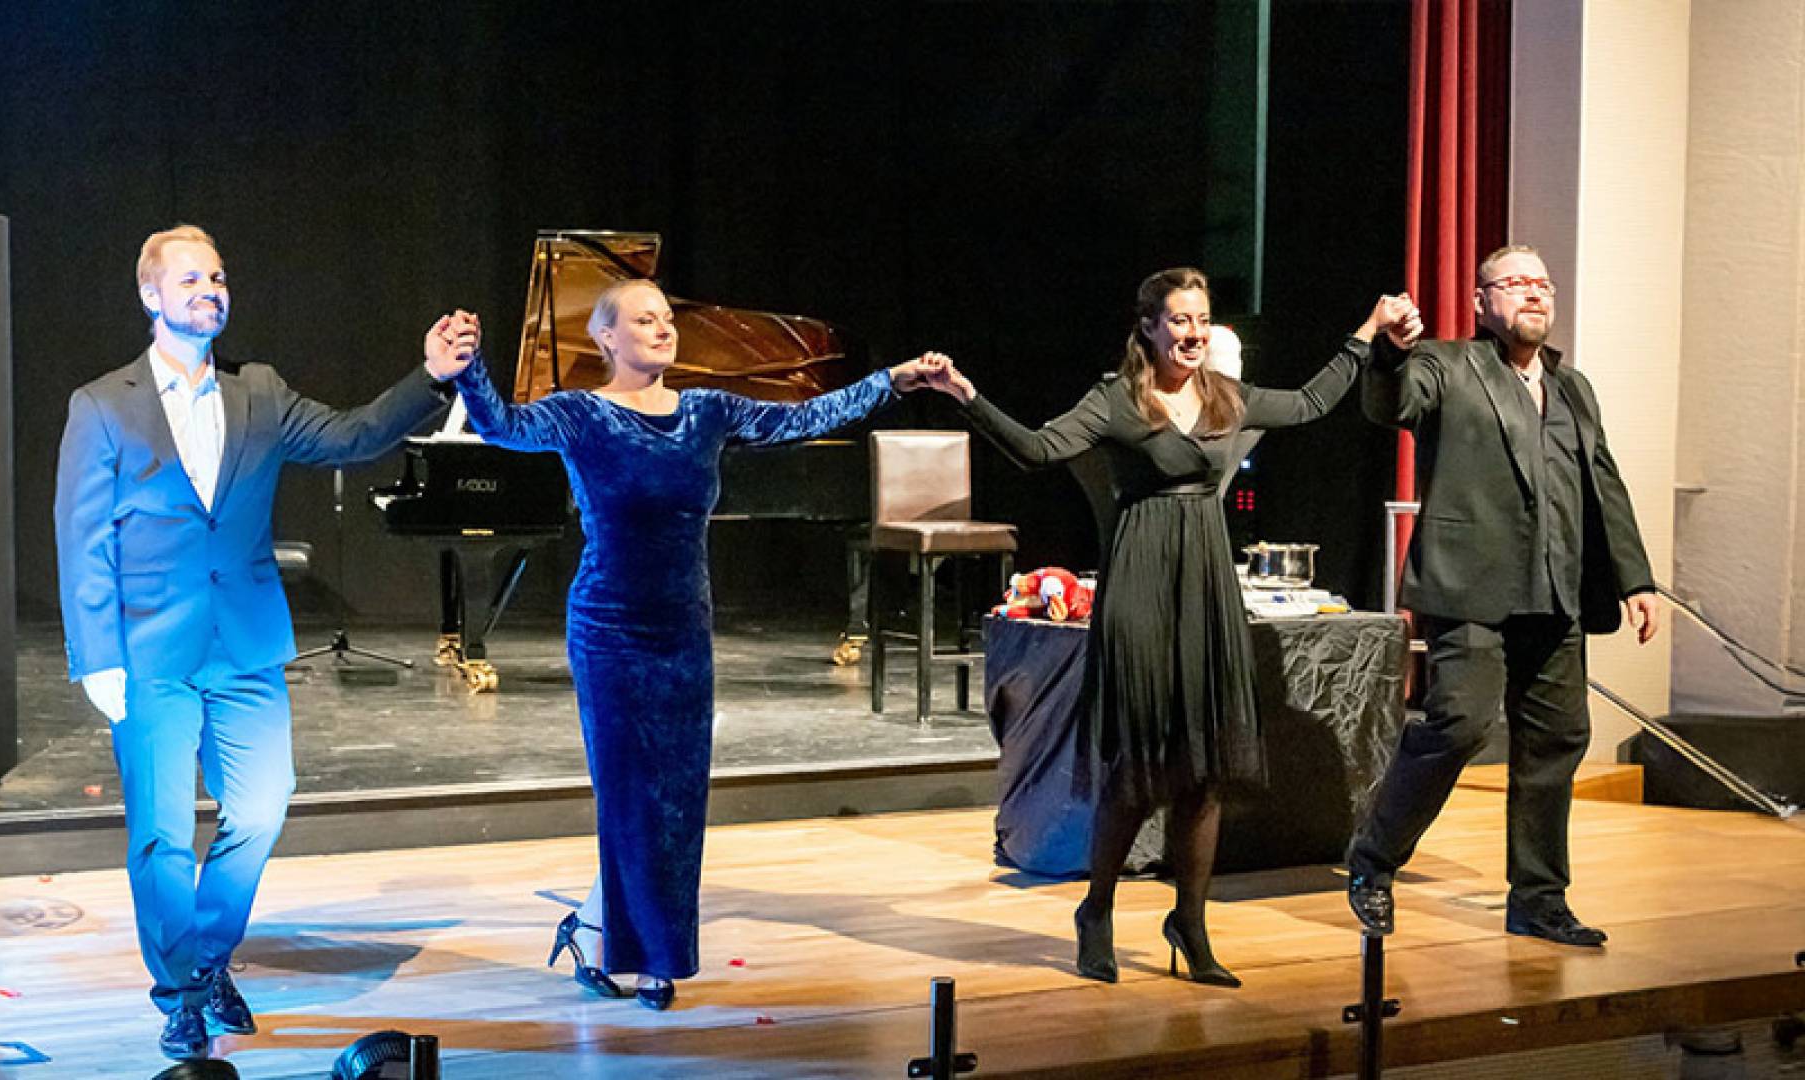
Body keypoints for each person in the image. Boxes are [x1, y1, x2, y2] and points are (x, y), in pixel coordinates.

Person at [440, 280, 945, 1009]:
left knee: (677, 802)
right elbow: (503, 427)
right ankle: (608, 937)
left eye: (668, 318)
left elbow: (804, 417)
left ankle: (648, 956)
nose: (664, 328)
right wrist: (468, 368)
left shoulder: (707, 411)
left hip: (682, 631)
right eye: (644, 319)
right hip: (609, 629)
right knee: (628, 796)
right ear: (606, 338)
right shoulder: (582, 415)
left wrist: (890, 381)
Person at [923, 269, 1419, 985]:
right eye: (1180, 319)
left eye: (1202, 320)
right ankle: (1096, 910)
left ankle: (1189, 920)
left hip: (1205, 583)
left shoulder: (1225, 396)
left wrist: (1367, 336)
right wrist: (966, 396)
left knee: (1205, 771)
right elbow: (1036, 449)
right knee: (1136, 769)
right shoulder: (1115, 399)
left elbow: (1312, 402)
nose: (1193, 333)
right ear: (1150, 327)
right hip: (1142, 582)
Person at [54, 225, 465, 1059]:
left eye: (218, 277)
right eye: (192, 279)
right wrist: (96, 656)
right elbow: (82, 536)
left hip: (243, 643)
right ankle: (179, 993)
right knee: (163, 834)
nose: (211, 290)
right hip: (149, 652)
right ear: (151, 294)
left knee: (261, 807)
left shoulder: (261, 392)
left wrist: (431, 378)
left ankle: (206, 960)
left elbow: (352, 434)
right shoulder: (102, 405)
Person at [1345, 244, 1659, 946]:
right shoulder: (1446, 366)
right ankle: (1373, 859)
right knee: (1460, 723)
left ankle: (1540, 899)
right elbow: (1391, 402)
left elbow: (1603, 483)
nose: (1533, 293)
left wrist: (1634, 578)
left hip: (1557, 589)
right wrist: (1391, 353)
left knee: (1558, 737)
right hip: (1470, 587)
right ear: (1482, 302)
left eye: (1541, 283)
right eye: (1514, 283)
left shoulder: (1573, 388)